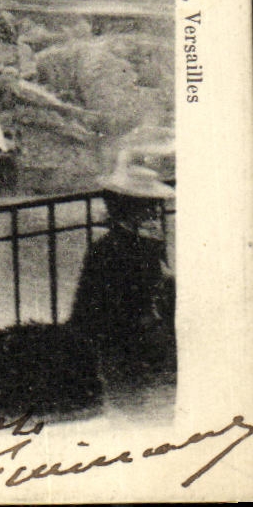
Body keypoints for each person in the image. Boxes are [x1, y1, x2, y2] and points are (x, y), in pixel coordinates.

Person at [69, 153, 176, 410]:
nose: (155, 210)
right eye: (150, 204)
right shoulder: (126, 248)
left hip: (120, 336)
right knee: (129, 395)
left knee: (127, 394)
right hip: (123, 335)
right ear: (133, 207)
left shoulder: (119, 245)